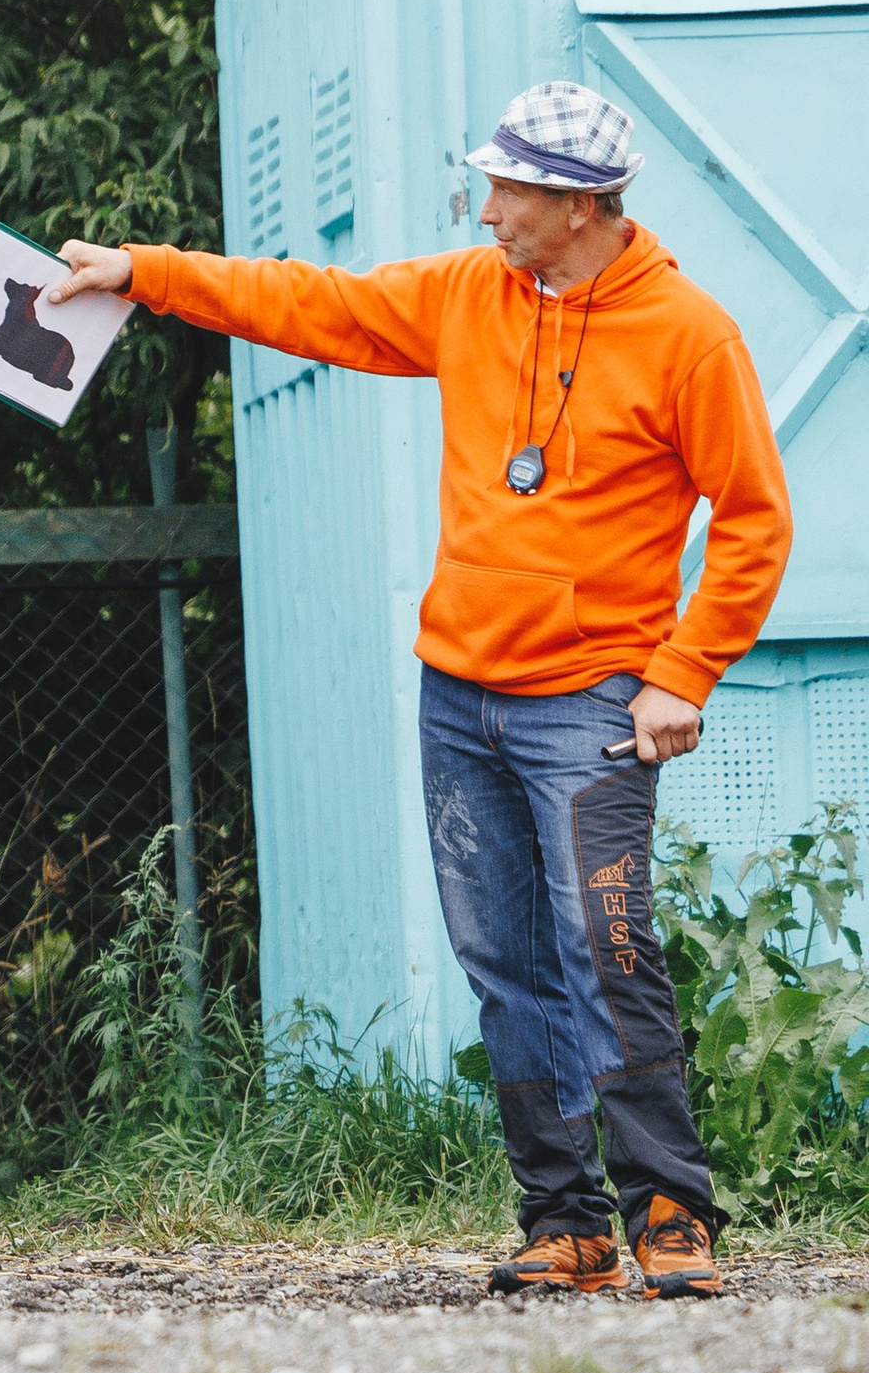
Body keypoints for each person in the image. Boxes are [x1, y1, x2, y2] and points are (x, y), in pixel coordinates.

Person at [46, 82, 793, 1300]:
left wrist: (682, 672)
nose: (485, 207)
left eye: (508, 189)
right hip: (460, 696)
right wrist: (141, 270)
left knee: (604, 951)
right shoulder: (465, 295)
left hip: (592, 709)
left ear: (576, 204)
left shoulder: (687, 335)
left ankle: (670, 1213)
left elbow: (755, 517)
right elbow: (308, 303)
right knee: (505, 962)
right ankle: (566, 1223)